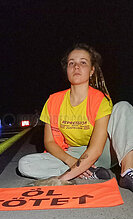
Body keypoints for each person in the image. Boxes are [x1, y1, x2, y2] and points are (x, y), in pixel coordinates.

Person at [18, 43, 133, 192]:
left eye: (83, 62)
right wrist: (72, 161)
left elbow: (96, 149)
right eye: (71, 63)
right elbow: (49, 141)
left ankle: (127, 171)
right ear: (66, 69)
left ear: (92, 70)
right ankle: (90, 172)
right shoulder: (54, 100)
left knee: (123, 107)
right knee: (25, 164)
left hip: (103, 153)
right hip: (75, 152)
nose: (76, 67)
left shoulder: (100, 100)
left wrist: (61, 180)